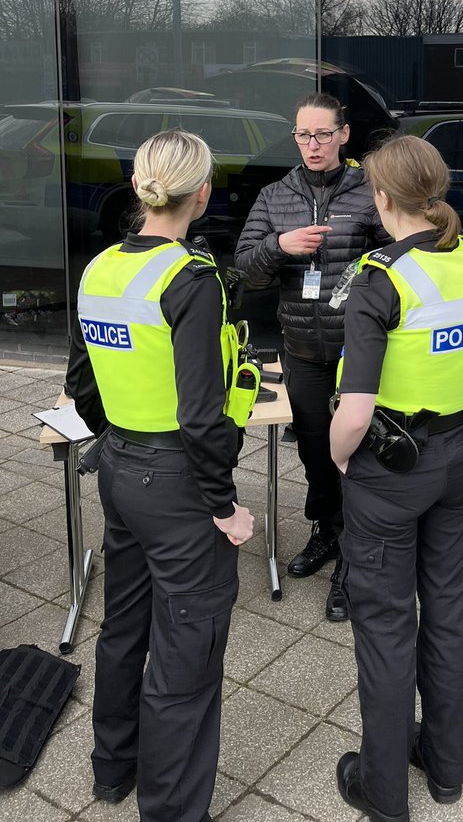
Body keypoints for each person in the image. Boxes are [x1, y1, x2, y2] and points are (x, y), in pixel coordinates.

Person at [329, 134, 463, 822]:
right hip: (457, 462)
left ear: (382, 197)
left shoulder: (380, 278)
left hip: (388, 472)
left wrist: (337, 456)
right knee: (449, 613)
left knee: (386, 627)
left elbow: (355, 412)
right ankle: (446, 771)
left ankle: (383, 793)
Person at [65, 129, 254, 822]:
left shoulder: (100, 268)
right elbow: (204, 417)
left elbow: (81, 383)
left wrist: (120, 433)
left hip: (119, 467)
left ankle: (112, 769)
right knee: (188, 651)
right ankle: (172, 810)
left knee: (125, 626)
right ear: (200, 194)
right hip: (178, 483)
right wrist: (226, 506)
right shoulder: (191, 281)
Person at [235, 92, 387, 622]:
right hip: (302, 349)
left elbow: (403, 256)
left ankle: (354, 558)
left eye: (323, 134)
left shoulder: (372, 190)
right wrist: (281, 245)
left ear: (344, 134)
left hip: (362, 356)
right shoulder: (276, 195)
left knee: (358, 456)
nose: (313, 144)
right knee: (318, 454)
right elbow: (245, 269)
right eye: (303, 134)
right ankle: (326, 531)